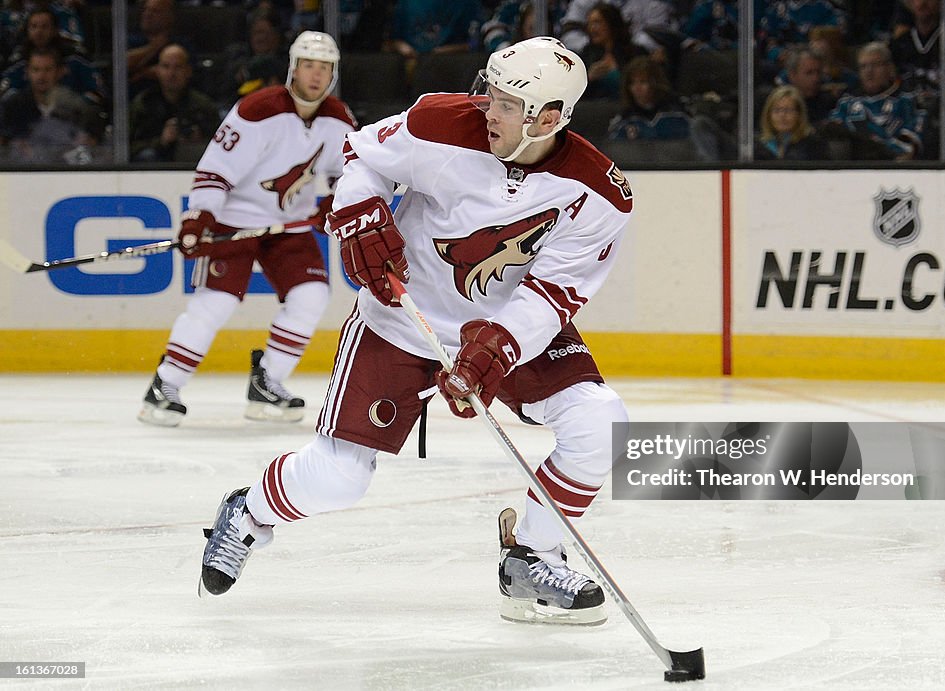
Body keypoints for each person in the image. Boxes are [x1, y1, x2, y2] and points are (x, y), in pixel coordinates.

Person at [198, 36, 632, 628]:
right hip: (401, 318)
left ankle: (532, 555)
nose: (488, 110)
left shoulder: (600, 193)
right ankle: (247, 514)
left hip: (507, 327)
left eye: (507, 105)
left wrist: (496, 350)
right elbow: (361, 156)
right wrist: (359, 211)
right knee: (339, 478)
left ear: (549, 118)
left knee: (601, 420)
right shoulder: (439, 122)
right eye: (491, 94)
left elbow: (553, 294)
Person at [138, 31, 356, 427]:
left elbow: (349, 173)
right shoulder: (258, 110)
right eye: (309, 65)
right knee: (215, 303)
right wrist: (198, 217)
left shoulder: (338, 119)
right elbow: (216, 167)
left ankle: (268, 382)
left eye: (324, 68)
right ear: (293, 68)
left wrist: (336, 201)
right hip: (233, 221)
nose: (316, 75)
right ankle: (165, 384)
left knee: (311, 295)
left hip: (288, 227)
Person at [0, 44, 103, 163]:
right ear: (27, 72)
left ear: (60, 72)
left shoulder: (77, 108)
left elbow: (91, 149)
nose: (41, 76)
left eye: (47, 69)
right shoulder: (12, 107)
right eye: (36, 70)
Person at [823, 42, 926, 160]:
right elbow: (833, 130)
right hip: (854, 167)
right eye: (863, 66)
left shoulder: (907, 99)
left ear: (890, 68)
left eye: (875, 65)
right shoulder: (846, 101)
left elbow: (909, 146)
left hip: (893, 168)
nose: (868, 72)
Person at [129, 44, 220, 163]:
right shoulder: (143, 104)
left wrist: (200, 141)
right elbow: (126, 148)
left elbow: (221, 148)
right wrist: (161, 141)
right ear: (157, 71)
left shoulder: (204, 106)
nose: (171, 73)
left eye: (178, 67)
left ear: (188, 71)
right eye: (166, 67)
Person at [755, 84, 829, 160]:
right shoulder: (758, 146)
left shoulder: (814, 145)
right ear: (768, 115)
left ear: (799, 114)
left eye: (788, 110)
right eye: (777, 110)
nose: (782, 115)